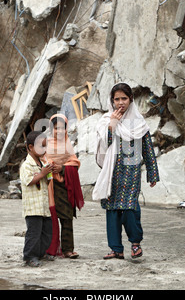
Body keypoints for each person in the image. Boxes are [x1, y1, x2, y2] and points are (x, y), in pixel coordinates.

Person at [93, 82, 159, 260]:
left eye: (124, 98)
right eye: (117, 99)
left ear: (131, 99)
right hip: (112, 173)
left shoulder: (139, 123)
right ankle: (116, 249)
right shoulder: (106, 120)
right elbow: (103, 146)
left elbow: (147, 149)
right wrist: (112, 125)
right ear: (112, 101)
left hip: (131, 173)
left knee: (130, 209)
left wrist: (152, 174)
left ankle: (135, 243)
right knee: (112, 211)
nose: (120, 103)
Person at [45, 114, 85, 259]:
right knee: (49, 218)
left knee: (67, 217)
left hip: (64, 185)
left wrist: (62, 168)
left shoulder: (68, 145)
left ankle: (68, 249)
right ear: (51, 129)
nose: (59, 132)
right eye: (56, 128)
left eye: (62, 128)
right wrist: (49, 168)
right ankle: (50, 248)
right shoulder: (46, 144)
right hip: (48, 185)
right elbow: (40, 161)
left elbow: (74, 162)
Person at [19, 131, 54, 267]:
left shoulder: (42, 163)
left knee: (46, 231)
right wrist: (42, 173)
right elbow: (29, 180)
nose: (44, 150)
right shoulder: (26, 165)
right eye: (41, 146)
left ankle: (40, 253)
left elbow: (48, 180)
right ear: (31, 147)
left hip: (43, 206)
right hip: (33, 207)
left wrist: (50, 172)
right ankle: (29, 256)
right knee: (33, 233)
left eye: (45, 146)